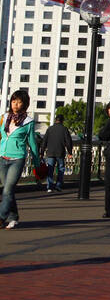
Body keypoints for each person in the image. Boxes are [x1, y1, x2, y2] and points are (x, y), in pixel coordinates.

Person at [0, 89, 42, 229]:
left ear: (24, 104)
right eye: (13, 101)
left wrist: (37, 164)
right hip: (2, 157)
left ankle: (1, 216)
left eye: (19, 102)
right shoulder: (4, 117)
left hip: (17, 158)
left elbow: (33, 144)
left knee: (8, 189)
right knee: (8, 190)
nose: (15, 105)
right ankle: (13, 217)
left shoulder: (28, 122)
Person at [42, 109, 73, 194]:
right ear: (62, 121)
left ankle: (49, 187)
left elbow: (44, 141)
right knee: (61, 169)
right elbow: (68, 141)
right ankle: (58, 186)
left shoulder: (50, 129)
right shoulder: (64, 129)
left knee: (50, 169)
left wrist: (42, 152)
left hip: (50, 152)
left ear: (56, 120)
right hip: (60, 152)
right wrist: (70, 152)